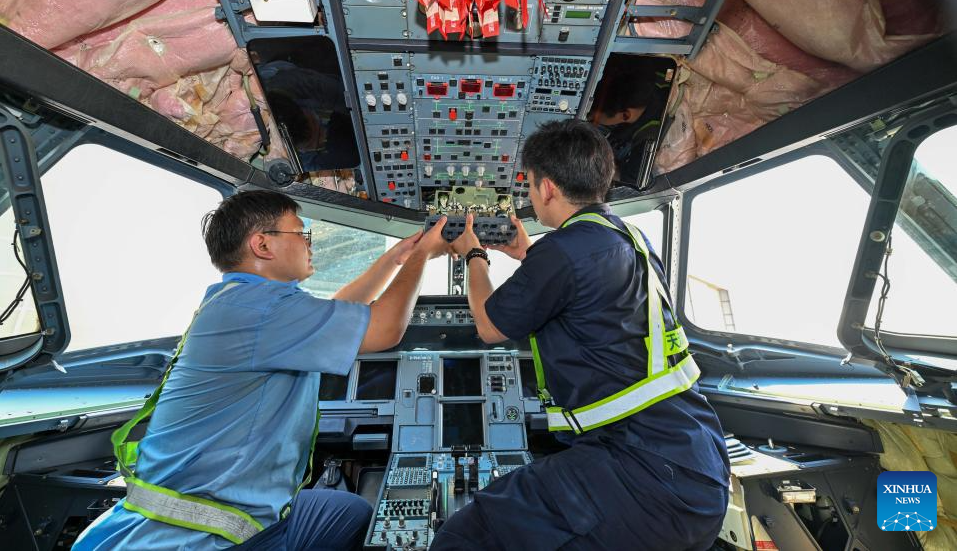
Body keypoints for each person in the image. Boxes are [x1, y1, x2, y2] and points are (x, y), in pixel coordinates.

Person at [75, 190, 449, 550]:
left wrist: (395, 259)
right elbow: (384, 329)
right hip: (199, 536)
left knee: (347, 511)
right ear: (263, 244)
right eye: (301, 233)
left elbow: (337, 311)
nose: (310, 244)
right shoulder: (261, 309)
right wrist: (422, 257)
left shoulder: (239, 300)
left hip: (181, 511)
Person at [434, 120, 730, 551]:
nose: (531, 194)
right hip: (695, 463)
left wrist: (473, 252)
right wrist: (529, 255)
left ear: (547, 188)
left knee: (466, 536)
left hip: (645, 475)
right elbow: (591, 297)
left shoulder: (563, 251)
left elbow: (488, 326)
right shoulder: (630, 238)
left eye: (530, 185)